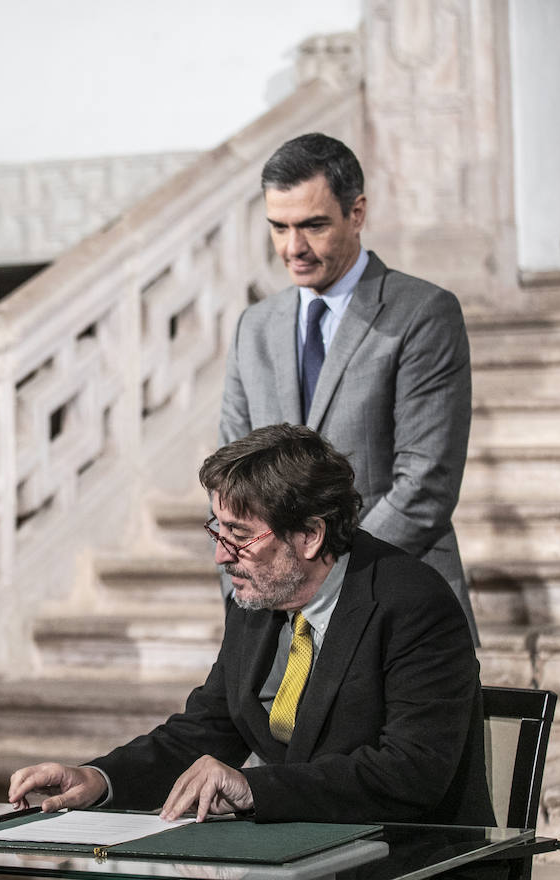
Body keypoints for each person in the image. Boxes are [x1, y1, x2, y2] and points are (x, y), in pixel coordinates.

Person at [9, 424, 499, 880]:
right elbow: (203, 731)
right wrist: (98, 778)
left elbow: (410, 773)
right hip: (290, 868)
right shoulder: (259, 598)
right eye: (217, 531)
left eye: (239, 536)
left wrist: (252, 788)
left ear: (309, 535)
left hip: (406, 878)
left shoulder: (412, 602)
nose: (222, 554)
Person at [219, 133, 477, 643]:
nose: (293, 247)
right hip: (275, 618)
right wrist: (254, 580)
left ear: (356, 213)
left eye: (313, 225)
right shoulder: (255, 326)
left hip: (399, 608)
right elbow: (229, 484)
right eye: (279, 227)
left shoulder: (423, 313)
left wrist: (319, 584)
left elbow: (425, 483)